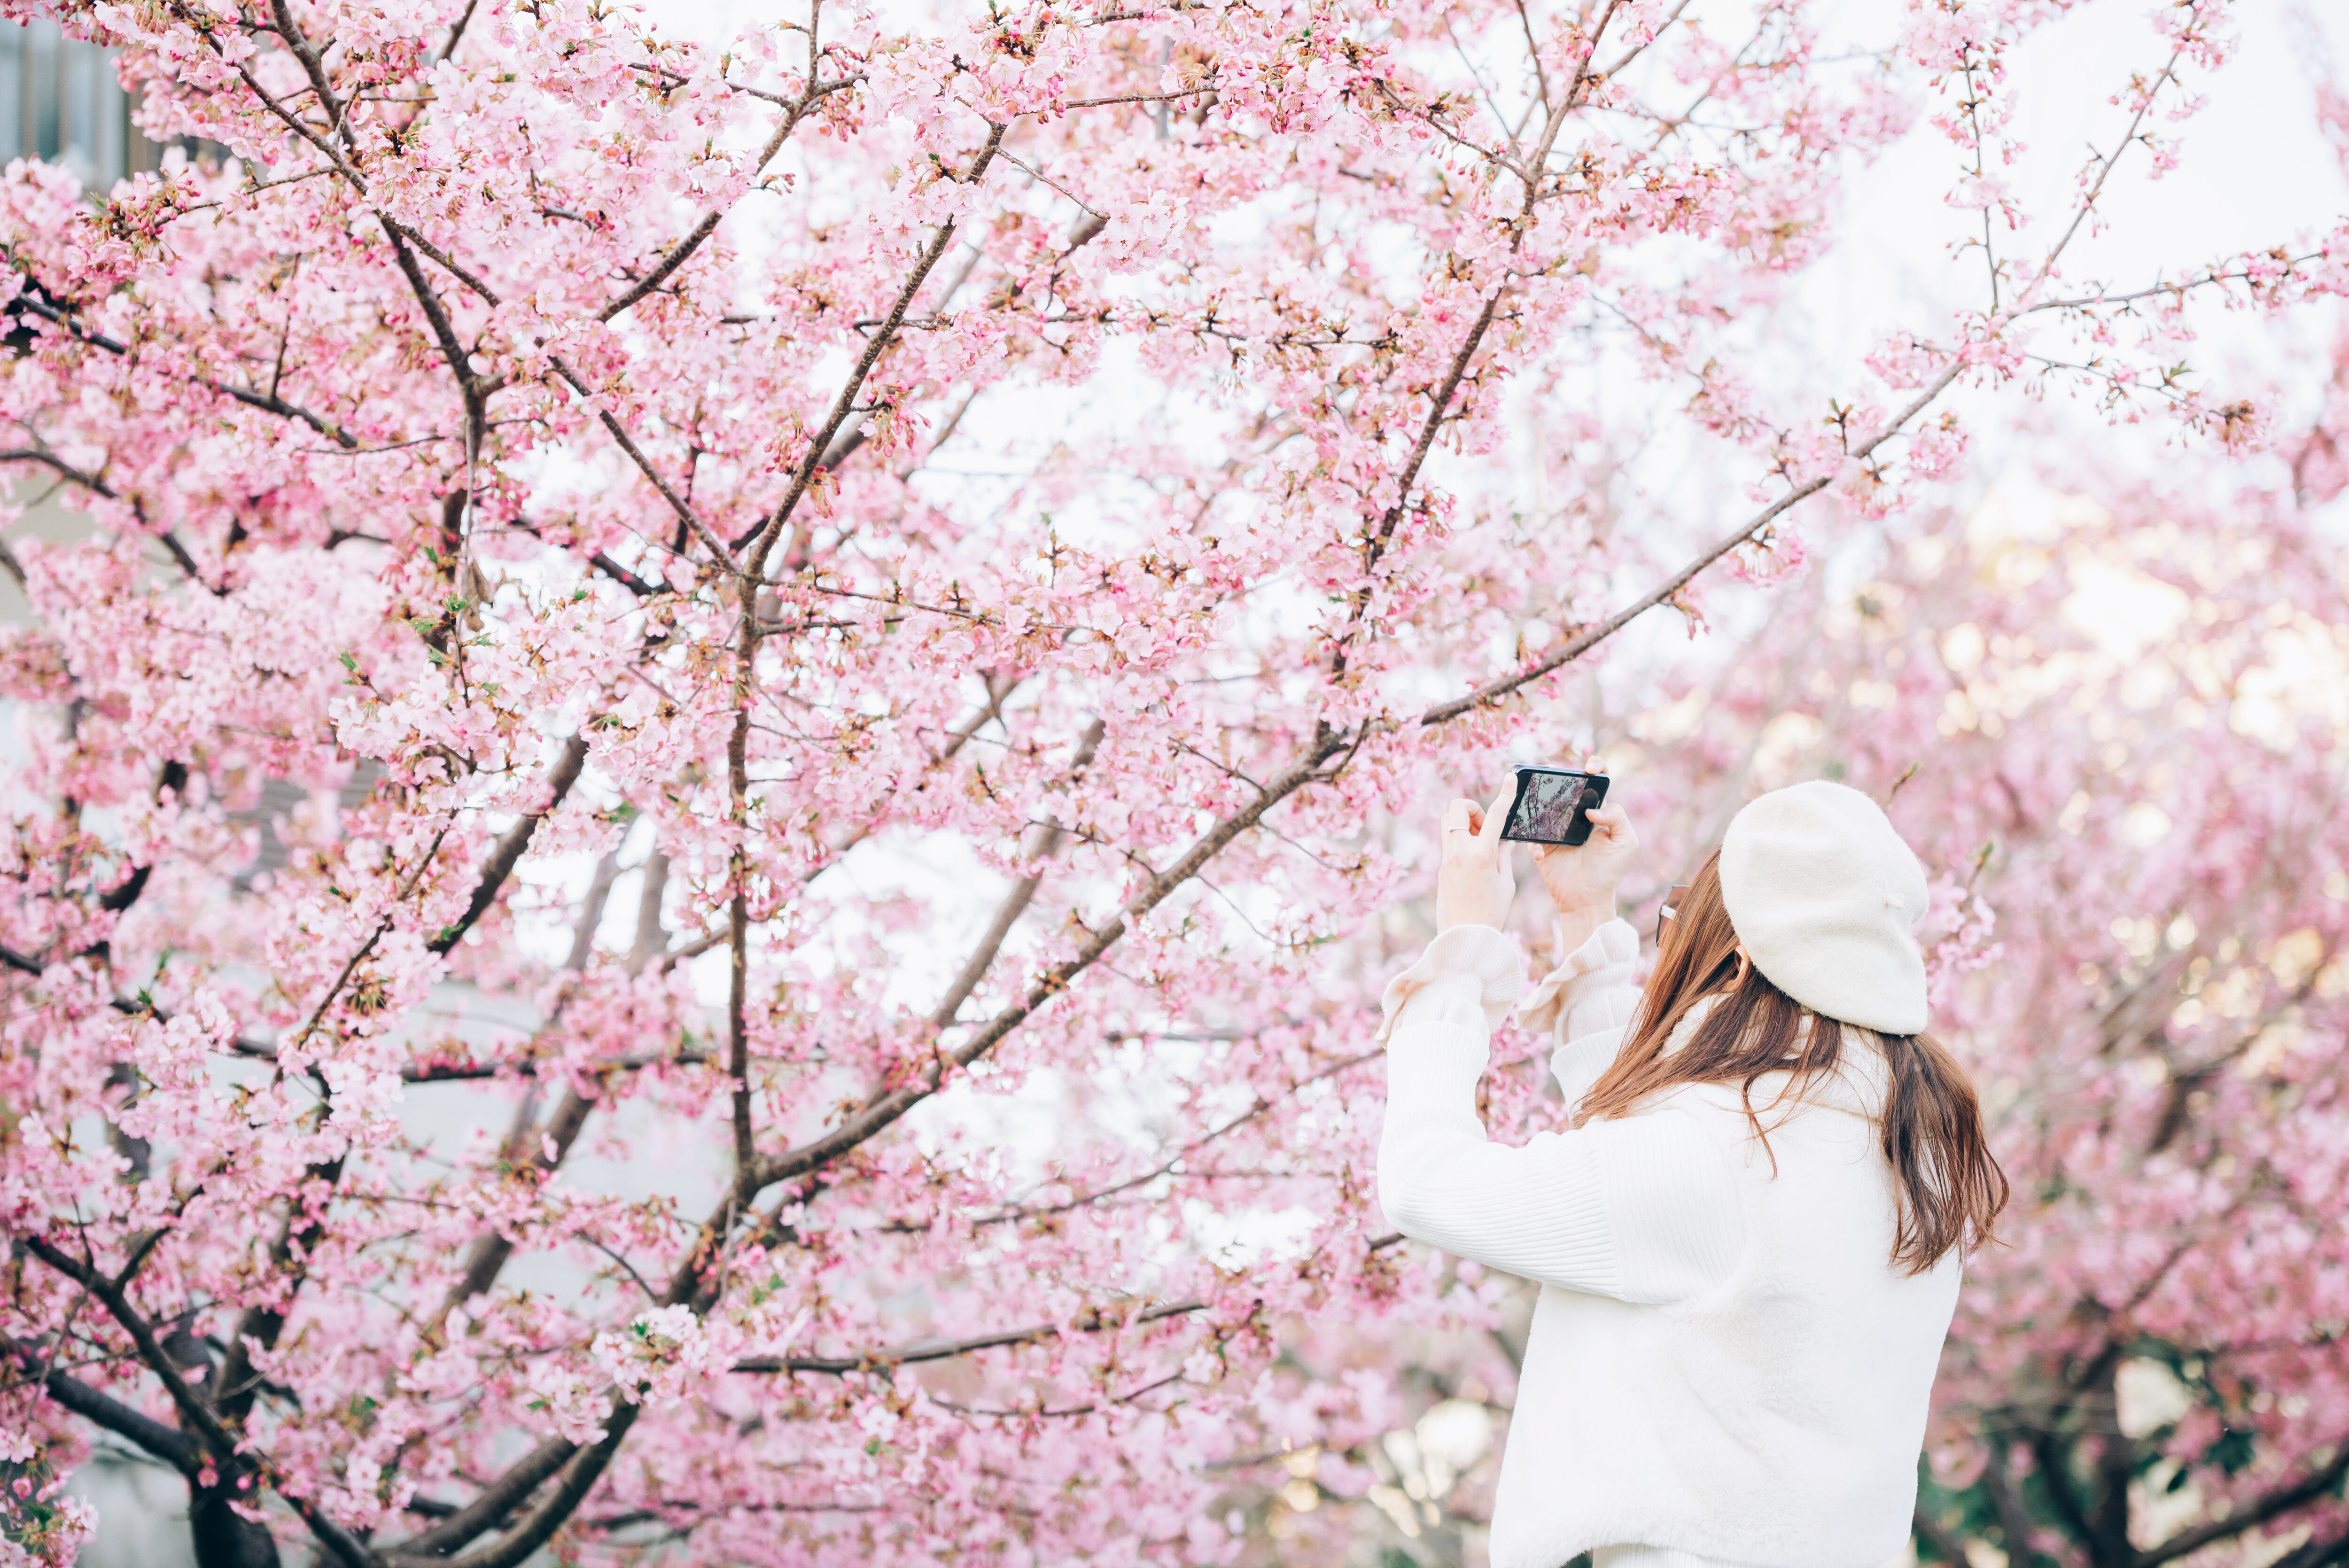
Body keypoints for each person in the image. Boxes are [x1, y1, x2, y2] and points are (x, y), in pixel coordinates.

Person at [1376, 778, 2007, 1568]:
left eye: (1679, 922)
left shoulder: (1717, 1156)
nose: (1668, 945)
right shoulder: (1909, 1155)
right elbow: (1652, 1173)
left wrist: (1458, 960)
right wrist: (1585, 918)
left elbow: (1425, 1180)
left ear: (1739, 963)